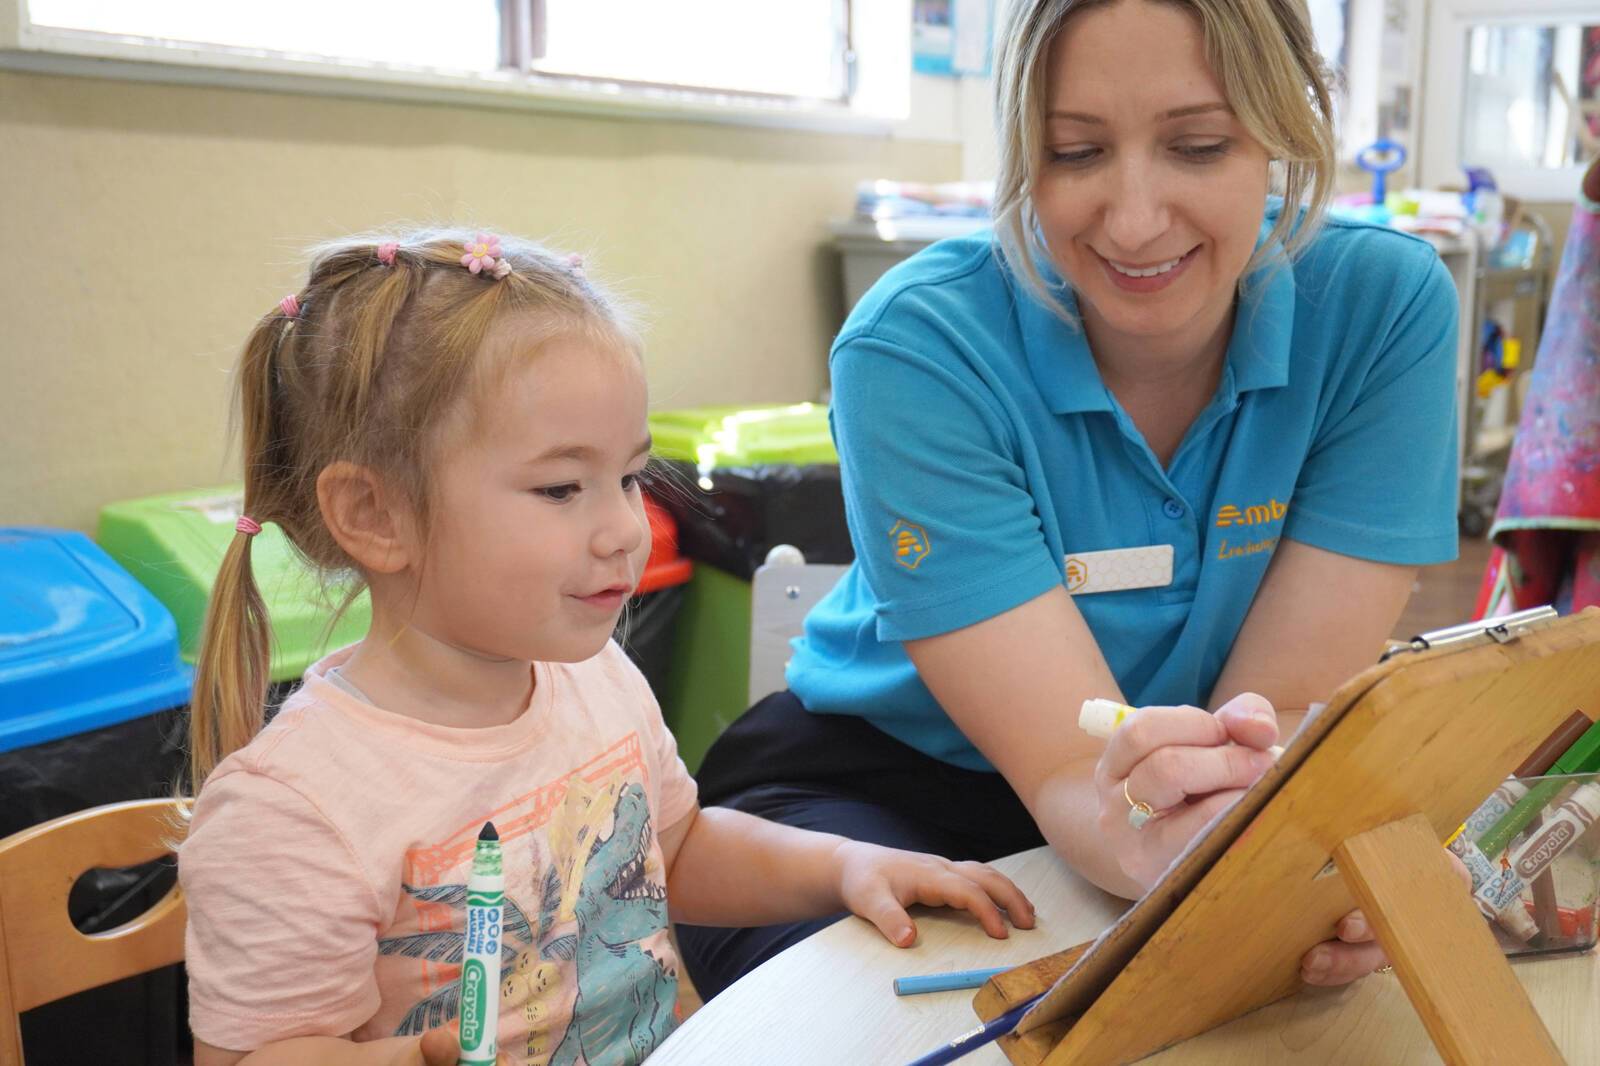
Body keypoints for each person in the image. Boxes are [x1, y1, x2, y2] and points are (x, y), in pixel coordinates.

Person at [679, 0, 1460, 999]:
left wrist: (1293, 862)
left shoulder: (1379, 311)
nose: (1133, 221)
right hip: (872, 785)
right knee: (873, 1022)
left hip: (1180, 798)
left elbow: (1282, 712)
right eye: (1076, 153)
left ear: (1282, 127)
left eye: (1199, 145)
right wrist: (1227, 861)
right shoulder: (918, 348)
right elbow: (1061, 765)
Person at [178, 229, 1035, 1066]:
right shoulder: (293, 812)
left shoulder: (592, 676)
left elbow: (680, 847)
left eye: (629, 477)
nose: (628, 527)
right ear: (375, 515)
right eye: (561, 488)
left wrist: (847, 865)